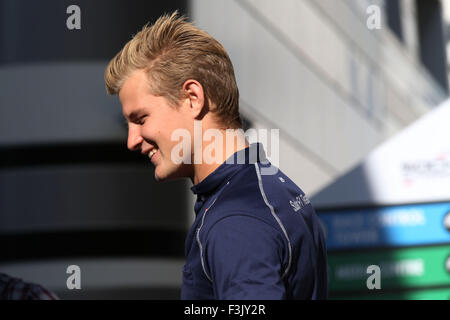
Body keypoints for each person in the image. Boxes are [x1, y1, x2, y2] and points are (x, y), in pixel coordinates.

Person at [104, 11, 327, 299]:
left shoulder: (235, 219)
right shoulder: (270, 189)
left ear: (192, 98)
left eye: (141, 118)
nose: (132, 140)